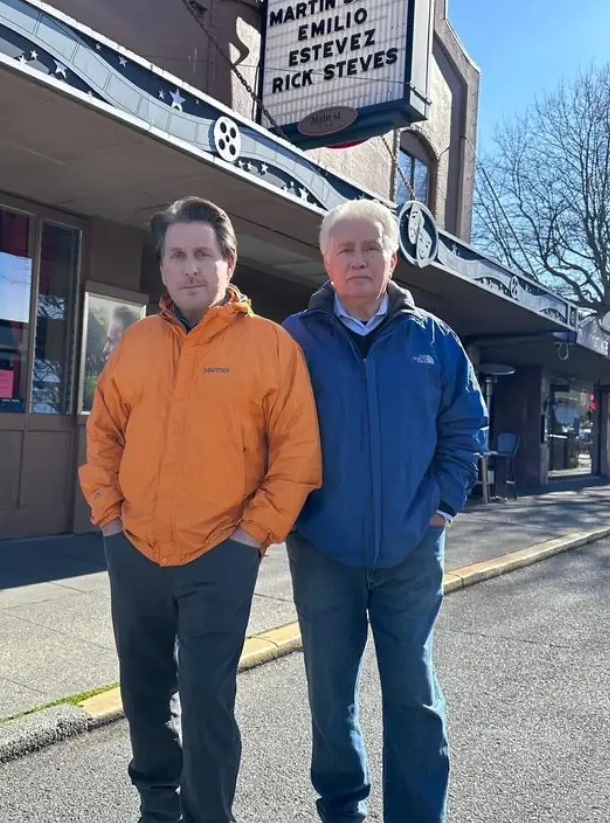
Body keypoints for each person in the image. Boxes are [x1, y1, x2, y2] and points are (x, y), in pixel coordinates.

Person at [79, 196, 322, 823]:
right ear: (161, 267)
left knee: (208, 697)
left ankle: (210, 812)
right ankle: (157, 803)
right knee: (142, 691)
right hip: (132, 547)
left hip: (222, 552)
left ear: (228, 261)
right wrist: (109, 518)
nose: (190, 268)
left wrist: (252, 537)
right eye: (177, 256)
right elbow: (103, 433)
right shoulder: (134, 345)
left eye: (202, 255)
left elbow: (297, 454)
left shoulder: (271, 347)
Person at [283, 199, 488, 823]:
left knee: (414, 695)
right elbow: (257, 427)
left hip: (411, 550)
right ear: (326, 261)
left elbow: (465, 428)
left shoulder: (433, 339)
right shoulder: (293, 338)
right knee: (329, 692)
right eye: (345, 249)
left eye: (371, 247)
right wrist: (291, 513)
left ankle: (417, 814)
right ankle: (342, 808)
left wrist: (443, 504)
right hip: (324, 548)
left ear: (392, 257)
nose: (359, 259)